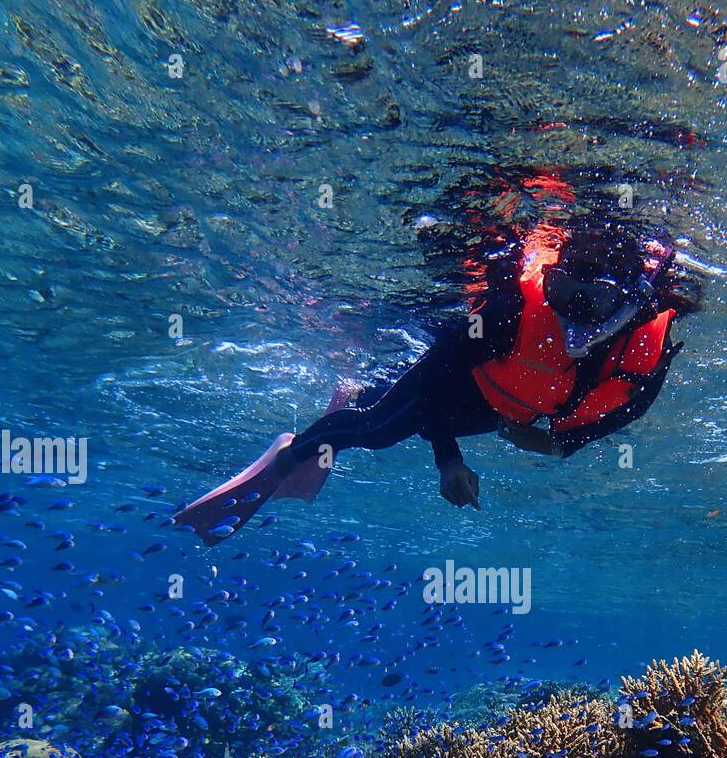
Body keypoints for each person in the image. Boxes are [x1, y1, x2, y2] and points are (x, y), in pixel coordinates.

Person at [175, 221, 699, 544]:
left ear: (634, 302)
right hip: (455, 384)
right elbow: (434, 379)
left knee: (403, 418)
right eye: (560, 290)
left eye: (592, 301)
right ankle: (287, 459)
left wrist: (563, 443)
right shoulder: (514, 310)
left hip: (495, 410)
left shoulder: (646, 345)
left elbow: (628, 409)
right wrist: (447, 458)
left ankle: (362, 392)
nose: (570, 315)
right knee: (378, 430)